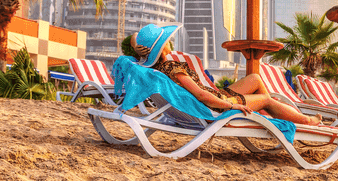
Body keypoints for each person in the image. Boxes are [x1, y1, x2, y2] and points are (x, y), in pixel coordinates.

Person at [132, 23, 320, 127]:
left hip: (215, 98)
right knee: (266, 99)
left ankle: (269, 117)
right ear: (162, 47)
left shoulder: (159, 71)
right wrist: (230, 105)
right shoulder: (173, 68)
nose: (169, 41)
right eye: (166, 40)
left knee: (254, 78)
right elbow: (201, 95)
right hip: (215, 107)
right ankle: (305, 120)